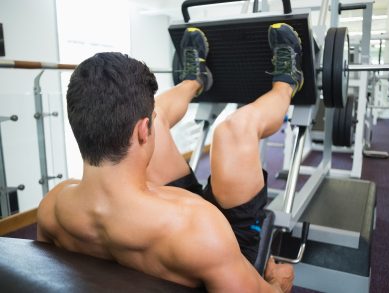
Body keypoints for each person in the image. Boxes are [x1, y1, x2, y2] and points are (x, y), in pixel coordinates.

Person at [37, 23, 303, 293]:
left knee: (158, 114)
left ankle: (195, 81)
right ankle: (286, 86)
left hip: (171, 227)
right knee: (235, 130)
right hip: (205, 245)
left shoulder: (52, 206)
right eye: (148, 125)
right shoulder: (201, 225)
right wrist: (278, 283)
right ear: (143, 131)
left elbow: (49, 273)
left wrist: (153, 116)